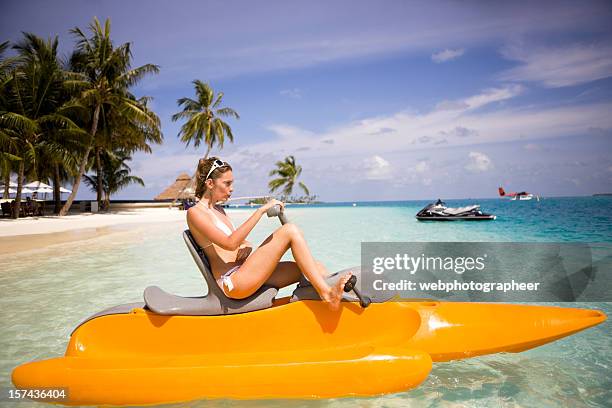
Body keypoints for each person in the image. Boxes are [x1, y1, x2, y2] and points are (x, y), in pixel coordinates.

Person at [186, 157, 352, 310]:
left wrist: (247, 245)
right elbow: (230, 243)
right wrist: (261, 210)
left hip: (245, 272)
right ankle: (327, 295)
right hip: (233, 283)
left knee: (314, 268)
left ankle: (332, 299)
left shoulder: (219, 210)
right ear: (210, 184)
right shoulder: (195, 213)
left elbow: (235, 242)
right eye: (227, 184)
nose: (232, 189)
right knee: (289, 231)